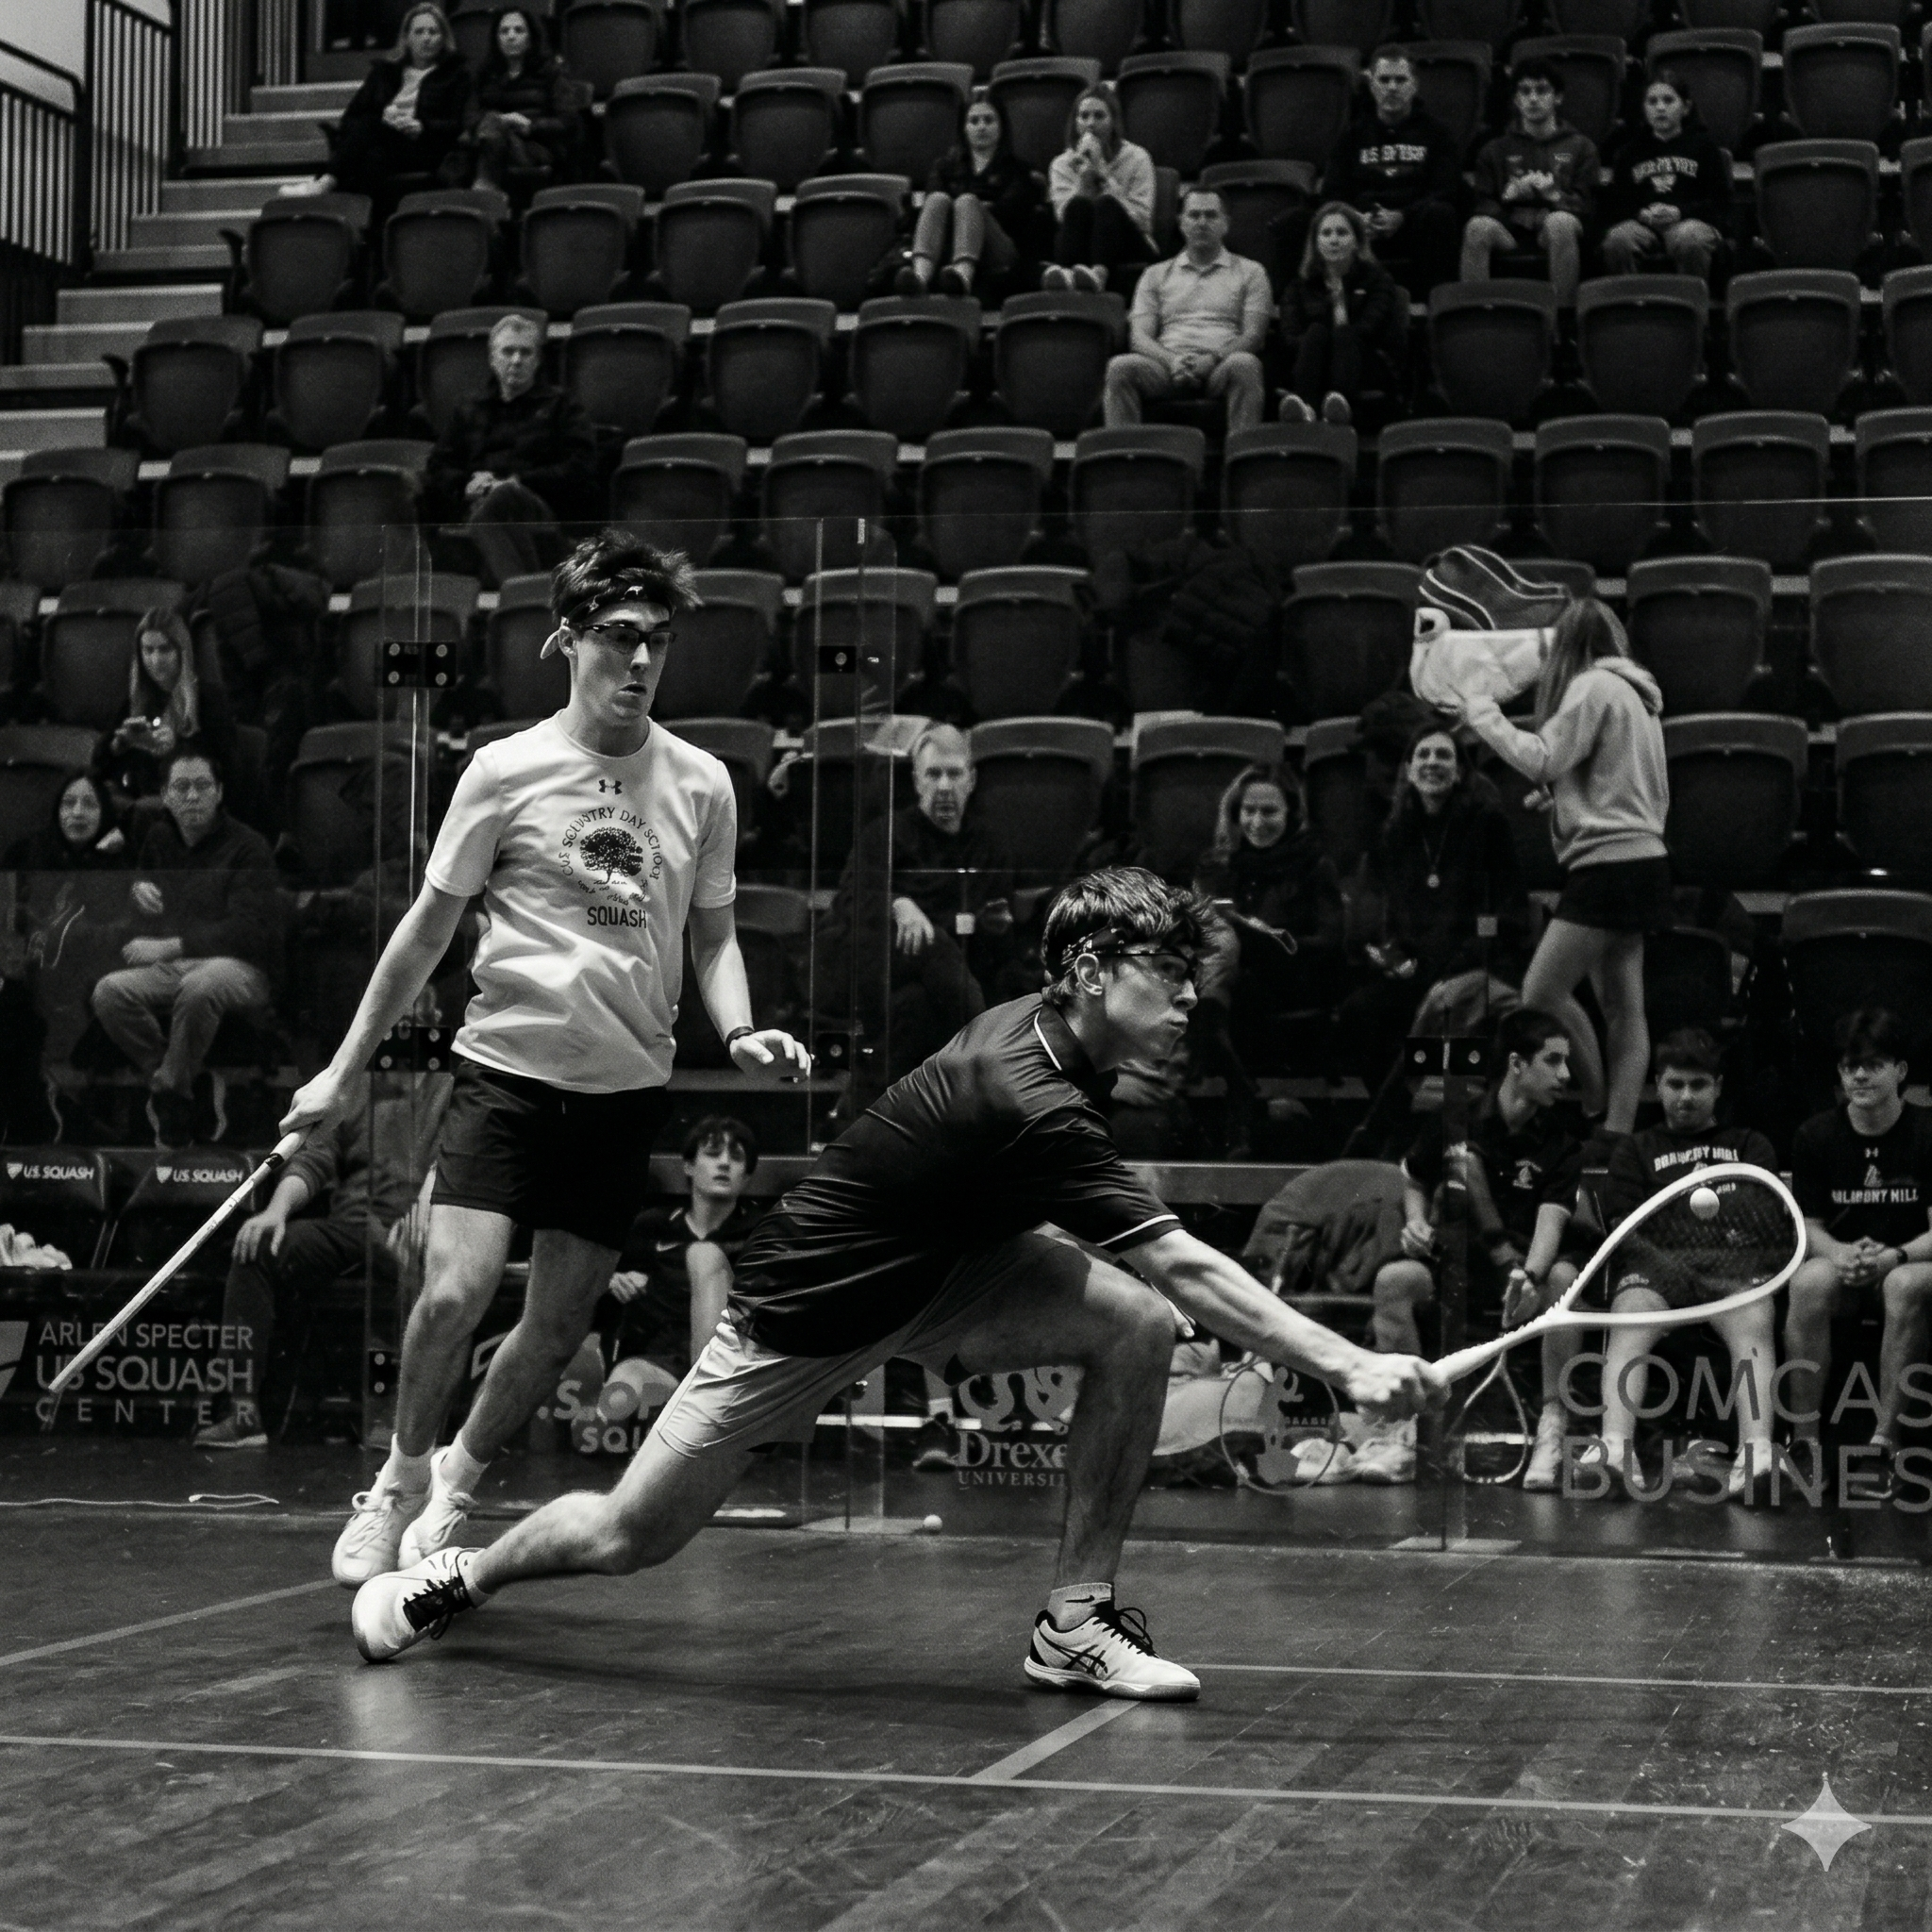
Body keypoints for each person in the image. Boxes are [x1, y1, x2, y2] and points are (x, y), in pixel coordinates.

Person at [348, 865, 1438, 1690]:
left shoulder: (1069, 1051)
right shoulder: (1032, 1091)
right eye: (1168, 974)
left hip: (946, 1273)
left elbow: (1149, 1276)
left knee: (1133, 1326)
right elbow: (1185, 1260)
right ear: (1093, 973)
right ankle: (461, 1575)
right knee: (631, 1534)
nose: (1192, 997)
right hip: (809, 1309)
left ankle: (1075, 1624)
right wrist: (1347, 1361)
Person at [281, 530, 811, 1591]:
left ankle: (458, 1488)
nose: (642, 660)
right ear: (566, 639)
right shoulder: (505, 770)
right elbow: (425, 931)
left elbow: (712, 936)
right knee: (452, 1293)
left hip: (622, 1093)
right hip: (507, 1077)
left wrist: (739, 1024)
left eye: (657, 639)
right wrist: (341, 1070)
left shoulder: (703, 784)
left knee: (557, 1318)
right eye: (619, 637)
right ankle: (394, 1482)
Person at [1453, 597, 1669, 1138]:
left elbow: (1542, 757)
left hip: (1607, 867)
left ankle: (1595, 1106)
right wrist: (1566, 799)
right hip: (1644, 860)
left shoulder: (1591, 686)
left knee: (1541, 992)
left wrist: (1483, 712)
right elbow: (1617, 782)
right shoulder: (1637, 695)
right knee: (1625, 1009)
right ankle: (1616, 1133)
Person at [1374, 1007, 1585, 1491]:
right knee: (1394, 1281)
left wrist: (1527, 1276)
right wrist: (1415, 1222)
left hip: (1528, 1263)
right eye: (1552, 1061)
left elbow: (1552, 1220)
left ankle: (1553, 1431)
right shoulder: (1457, 1122)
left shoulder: (1562, 1141)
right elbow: (1413, 1177)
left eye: (1565, 1062)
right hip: (1459, 1263)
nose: (1565, 1075)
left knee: (1563, 1284)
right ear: (1517, 1064)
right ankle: (1403, 1432)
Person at [192, 1069, 452, 1450]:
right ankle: (243, 1414)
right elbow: (314, 1160)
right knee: (257, 1248)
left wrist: (427, 1212)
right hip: (352, 1226)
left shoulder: (453, 1084)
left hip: (419, 1226)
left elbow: (455, 1159)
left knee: (418, 1263)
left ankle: (400, 1419)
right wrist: (276, 1211)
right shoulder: (359, 1084)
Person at [1588, 1028, 1779, 1503]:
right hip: (1655, 1269)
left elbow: (1766, 1216)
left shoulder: (1750, 1145)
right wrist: (1682, 1205)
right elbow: (1623, 1228)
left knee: (1755, 1318)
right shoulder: (1635, 1150)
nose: (1686, 1097)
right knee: (1630, 1313)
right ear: (1658, 1085)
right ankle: (1615, 1449)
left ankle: (1755, 1453)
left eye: (1698, 1085)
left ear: (1717, 1087)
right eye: (1675, 1085)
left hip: (1731, 1269)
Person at [89, 749, 283, 1150]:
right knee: (109, 992)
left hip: (241, 968)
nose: (192, 796)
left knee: (200, 986)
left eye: (202, 786)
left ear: (220, 792)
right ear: (165, 795)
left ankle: (170, 1095)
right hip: (177, 963)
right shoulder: (159, 838)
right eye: (181, 787)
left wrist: (170, 945)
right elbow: (144, 911)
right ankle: (180, 1083)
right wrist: (136, 892)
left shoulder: (249, 846)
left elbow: (249, 931)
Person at [1783, 1008, 1932, 1500]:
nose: (1860, 1075)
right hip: (1848, 1266)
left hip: (1910, 1265)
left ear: (1901, 1071)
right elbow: (1809, 1225)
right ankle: (1804, 1444)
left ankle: (1885, 1448)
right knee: (1808, 1282)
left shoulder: (1927, 1131)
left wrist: (1895, 1256)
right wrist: (1841, 1253)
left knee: (1904, 1285)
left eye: (1873, 1064)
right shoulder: (1816, 1135)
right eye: (1850, 1067)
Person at [817, 723, 1019, 1081]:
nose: (944, 786)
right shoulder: (886, 834)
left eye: (954, 774)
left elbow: (998, 929)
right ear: (916, 781)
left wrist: (996, 927)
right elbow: (850, 899)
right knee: (934, 947)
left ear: (971, 780)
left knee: (914, 1009)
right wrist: (898, 905)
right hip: (882, 967)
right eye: (933, 774)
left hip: (945, 983)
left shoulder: (989, 845)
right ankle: (990, 1059)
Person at [1341, 724, 1528, 1097]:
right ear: (1408, 771)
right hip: (1414, 968)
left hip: (1473, 965)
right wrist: (1390, 954)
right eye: (1422, 755)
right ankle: (1400, 1110)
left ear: (1460, 772)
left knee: (1452, 1010)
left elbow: (1504, 912)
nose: (1432, 763)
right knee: (1360, 1012)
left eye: (1444, 755)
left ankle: (1445, 1118)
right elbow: (1380, 912)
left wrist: (1457, 964)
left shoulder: (1486, 824)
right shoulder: (1394, 832)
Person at [1191, 762, 1342, 1156]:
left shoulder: (1313, 864)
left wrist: (1269, 940)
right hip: (1230, 982)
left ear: (1291, 814)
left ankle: (1243, 1110)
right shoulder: (1217, 866)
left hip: (1289, 981)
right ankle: (1238, 1104)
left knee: (1219, 993)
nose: (1257, 822)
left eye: (1269, 812)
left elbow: (1328, 942)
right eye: (1249, 811)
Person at [425, 312, 598, 589]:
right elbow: (438, 465)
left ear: (537, 360)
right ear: (493, 359)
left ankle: (520, 591)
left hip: (537, 508)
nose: (516, 360)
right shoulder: (470, 408)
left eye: (525, 352)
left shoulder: (562, 406)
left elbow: (581, 466)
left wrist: (520, 482)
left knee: (503, 496)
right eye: (508, 351)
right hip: (478, 503)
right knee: (483, 506)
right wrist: (466, 484)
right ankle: (528, 591)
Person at [603, 1115, 764, 1377]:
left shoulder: (761, 1234)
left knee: (704, 1254)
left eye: (735, 1158)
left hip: (733, 1364)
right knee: (624, 1389)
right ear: (689, 1166)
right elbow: (596, 1283)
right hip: (656, 1356)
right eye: (713, 1154)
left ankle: (704, 1393)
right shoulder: (652, 1227)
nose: (724, 1163)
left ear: (746, 1177)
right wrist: (614, 1280)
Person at [1103, 185, 1271, 433]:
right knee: (1120, 367)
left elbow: (1254, 335)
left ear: (1226, 223)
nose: (1202, 222)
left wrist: (1212, 360)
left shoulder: (1252, 272)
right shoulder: (1155, 275)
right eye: (1194, 215)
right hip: (1166, 366)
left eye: (1211, 215)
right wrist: (1173, 361)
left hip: (1222, 366)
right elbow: (1139, 337)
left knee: (1246, 364)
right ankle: (1123, 462)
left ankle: (1240, 461)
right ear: (1181, 222)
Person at [279, 3, 473, 213]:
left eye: (433, 32)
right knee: (373, 156)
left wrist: (422, 126)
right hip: (383, 142)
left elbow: (459, 124)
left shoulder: (456, 76)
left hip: (425, 147)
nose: (426, 38)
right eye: (419, 31)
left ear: (444, 38)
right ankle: (367, 229)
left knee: (370, 127)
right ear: (407, 38)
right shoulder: (384, 73)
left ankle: (324, 183)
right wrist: (385, 117)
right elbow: (351, 118)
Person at [1314, 47, 1466, 297]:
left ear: (1414, 85)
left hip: (1417, 225)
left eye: (1400, 79)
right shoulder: (1351, 136)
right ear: (1372, 85)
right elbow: (1333, 191)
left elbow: (1448, 190)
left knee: (1441, 214)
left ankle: (1437, 303)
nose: (1392, 87)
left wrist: (1402, 216)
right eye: (1384, 80)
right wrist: (1356, 218)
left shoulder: (1437, 134)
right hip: (1364, 228)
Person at [1461, 60, 1600, 308]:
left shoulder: (1582, 147)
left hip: (1555, 229)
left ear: (1558, 97)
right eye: (1525, 92)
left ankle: (1564, 319)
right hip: (1510, 232)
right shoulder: (1494, 150)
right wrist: (1506, 197)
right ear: (1516, 100)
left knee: (1560, 223)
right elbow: (1481, 203)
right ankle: (1475, 313)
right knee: (1477, 227)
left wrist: (1555, 196)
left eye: (1542, 90)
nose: (1533, 99)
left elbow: (1590, 207)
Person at [897, 90, 1045, 301]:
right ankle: (920, 277)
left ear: (1002, 126)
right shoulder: (943, 168)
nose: (981, 126)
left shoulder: (1019, 170)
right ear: (964, 128)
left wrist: (971, 210)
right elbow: (932, 211)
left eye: (988, 120)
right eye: (974, 121)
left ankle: (962, 278)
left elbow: (1010, 216)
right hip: (948, 244)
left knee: (966, 202)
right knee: (938, 200)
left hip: (1000, 251)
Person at [94, 609, 236, 824]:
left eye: (164, 650)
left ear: (181, 652)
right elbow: (99, 766)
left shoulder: (209, 699)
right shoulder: (137, 700)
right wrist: (118, 746)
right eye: (148, 650)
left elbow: (225, 769)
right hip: (141, 802)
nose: (155, 660)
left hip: (189, 807)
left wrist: (176, 748)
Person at [1275, 200, 1407, 428]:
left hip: (1366, 364)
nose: (1334, 240)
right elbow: (1289, 336)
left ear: (1357, 241)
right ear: (1316, 243)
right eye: (1326, 233)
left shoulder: (1377, 280)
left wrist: (1340, 307)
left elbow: (1370, 330)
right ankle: (1307, 409)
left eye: (1342, 233)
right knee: (1316, 333)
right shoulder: (1300, 285)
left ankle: (1338, 406)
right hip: (1312, 363)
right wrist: (1320, 341)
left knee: (1345, 335)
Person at [1600, 72, 1729, 281]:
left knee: (1690, 238)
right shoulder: (1628, 153)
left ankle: (1690, 305)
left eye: (1668, 100)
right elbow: (1617, 203)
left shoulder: (1704, 148)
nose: (1660, 107)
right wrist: (1641, 214)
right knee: (1617, 240)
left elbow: (1720, 202)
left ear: (1685, 107)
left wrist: (1679, 212)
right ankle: (1629, 305)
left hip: (1690, 222)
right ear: (1644, 108)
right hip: (1642, 224)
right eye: (1652, 101)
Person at [454, 7, 581, 195]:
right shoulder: (485, 74)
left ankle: (482, 194)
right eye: (504, 31)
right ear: (496, 38)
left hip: (534, 148)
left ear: (531, 37)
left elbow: (568, 121)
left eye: (518, 30)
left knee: (478, 144)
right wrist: (501, 121)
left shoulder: (551, 73)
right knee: (492, 125)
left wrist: (530, 125)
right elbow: (469, 116)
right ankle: (487, 193)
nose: (511, 36)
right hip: (493, 141)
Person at [1043, 85, 1156, 293]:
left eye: (1099, 116)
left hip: (1131, 242)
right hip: (1083, 242)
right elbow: (1063, 218)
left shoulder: (1138, 158)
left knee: (1106, 204)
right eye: (1084, 116)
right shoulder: (1061, 164)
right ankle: (1066, 276)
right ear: (1075, 122)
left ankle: (1099, 275)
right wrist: (1085, 179)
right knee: (1077, 204)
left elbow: (1142, 220)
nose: (1090, 124)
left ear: (1113, 122)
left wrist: (1104, 173)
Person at [6, 770, 125, 870]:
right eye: (69, 803)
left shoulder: (120, 861)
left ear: (104, 813)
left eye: (89, 804)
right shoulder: (25, 854)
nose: (77, 813)